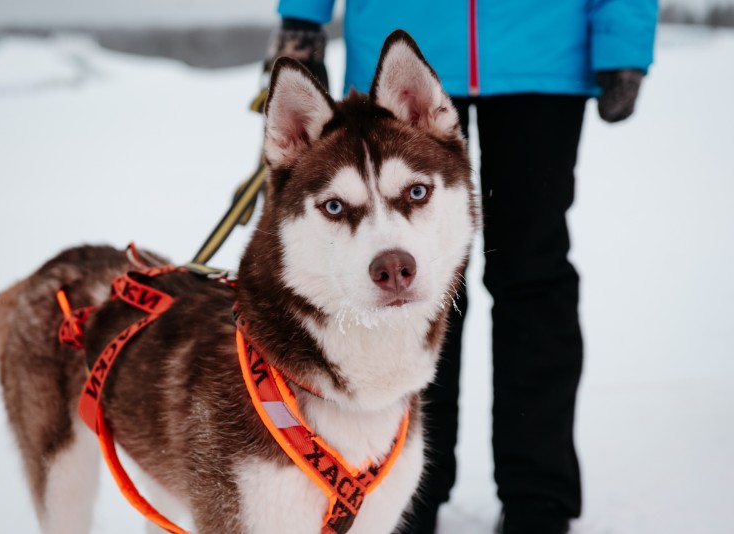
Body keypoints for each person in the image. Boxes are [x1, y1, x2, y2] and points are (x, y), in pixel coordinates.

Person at [262, 2, 657, 533]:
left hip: (542, 45)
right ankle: (406, 494)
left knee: (534, 277)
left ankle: (539, 498)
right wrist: (302, 16)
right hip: (401, 37)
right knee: (402, 289)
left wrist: (622, 35)